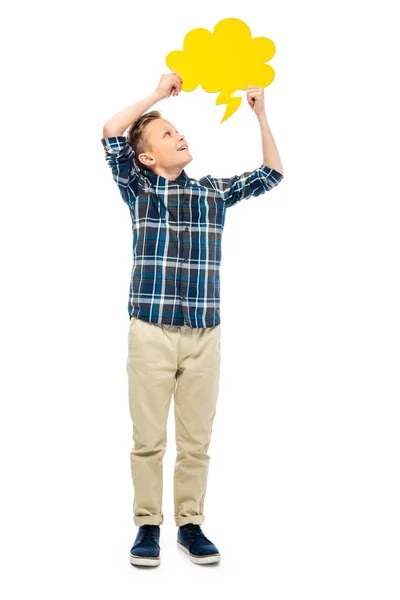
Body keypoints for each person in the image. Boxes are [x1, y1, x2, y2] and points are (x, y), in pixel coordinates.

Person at [101, 72, 284, 567]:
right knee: (148, 440)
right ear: (146, 158)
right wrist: (158, 96)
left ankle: (190, 523)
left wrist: (261, 115)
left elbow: (271, 173)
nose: (178, 135)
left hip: (205, 335)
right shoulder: (138, 190)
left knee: (196, 440)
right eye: (166, 134)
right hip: (151, 332)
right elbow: (110, 130)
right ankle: (146, 527)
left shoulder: (212, 193)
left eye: (175, 130)